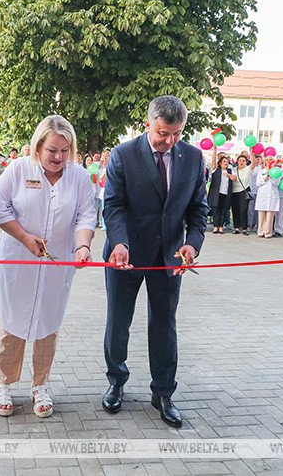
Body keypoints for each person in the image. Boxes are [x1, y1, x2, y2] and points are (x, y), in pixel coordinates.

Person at [101, 95, 208, 428]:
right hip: (126, 255)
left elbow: (198, 210)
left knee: (164, 325)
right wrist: (119, 242)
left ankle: (163, 392)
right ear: (148, 124)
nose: (170, 141)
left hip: (170, 257)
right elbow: (113, 205)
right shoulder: (122, 155)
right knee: (119, 322)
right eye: (164, 133)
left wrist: (191, 245)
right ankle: (116, 381)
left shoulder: (192, 157)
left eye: (177, 133)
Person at [0, 115, 96, 418]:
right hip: (18, 258)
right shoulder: (19, 169)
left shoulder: (79, 176)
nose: (58, 157)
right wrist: (24, 237)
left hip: (57, 262)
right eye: (52, 150)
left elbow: (87, 215)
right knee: (13, 321)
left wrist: (83, 245)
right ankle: (4, 384)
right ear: (38, 146)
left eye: (64, 151)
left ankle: (41, 385)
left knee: (48, 323)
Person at [207, 155, 234, 234]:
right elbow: (213, 162)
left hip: (226, 193)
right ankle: (216, 226)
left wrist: (228, 175)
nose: (226, 163)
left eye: (227, 162)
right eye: (224, 162)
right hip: (216, 193)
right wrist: (215, 150)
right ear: (220, 163)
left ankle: (221, 227)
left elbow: (234, 178)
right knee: (216, 210)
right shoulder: (216, 169)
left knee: (223, 210)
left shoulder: (230, 170)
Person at [255, 157, 280, 238]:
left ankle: (268, 232)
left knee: (270, 215)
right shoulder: (261, 171)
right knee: (261, 214)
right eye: (267, 160)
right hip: (263, 194)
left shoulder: (277, 172)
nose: (269, 162)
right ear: (264, 162)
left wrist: (272, 176)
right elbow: (258, 183)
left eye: (270, 160)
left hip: (272, 194)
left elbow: (277, 183)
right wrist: (266, 177)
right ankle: (260, 231)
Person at [230, 155, 252, 235]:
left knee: (243, 210)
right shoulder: (234, 169)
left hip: (243, 191)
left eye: (243, 161)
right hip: (234, 191)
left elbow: (252, 164)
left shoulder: (247, 169)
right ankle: (236, 227)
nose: (241, 162)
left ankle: (244, 228)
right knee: (235, 210)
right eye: (240, 160)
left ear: (246, 162)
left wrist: (251, 151)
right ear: (237, 161)